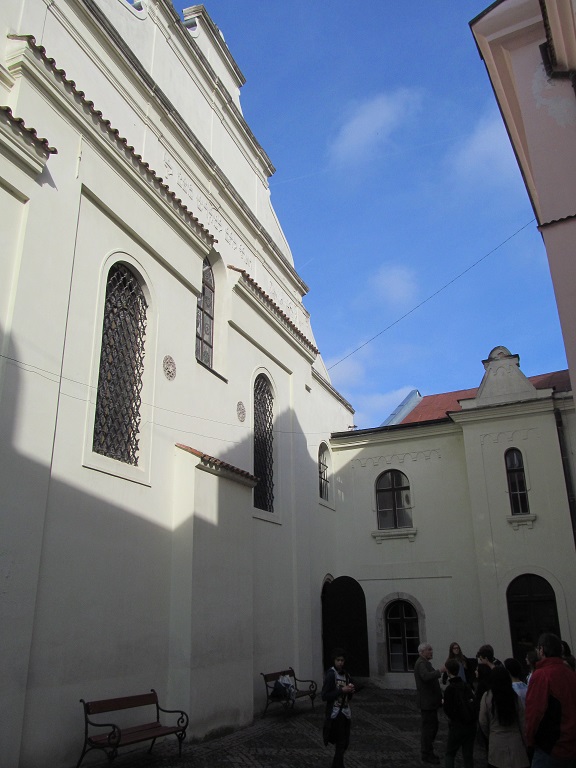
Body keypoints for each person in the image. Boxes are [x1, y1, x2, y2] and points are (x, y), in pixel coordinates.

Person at [525, 632, 576, 768]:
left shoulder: (541, 675)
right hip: (570, 745)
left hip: (551, 748)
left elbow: (534, 713)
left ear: (542, 650)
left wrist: (529, 740)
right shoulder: (570, 673)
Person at [478, 666, 529, 768]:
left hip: (496, 741)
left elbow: (482, 721)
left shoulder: (487, 697)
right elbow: (523, 721)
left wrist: (490, 734)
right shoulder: (514, 697)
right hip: (515, 742)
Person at [322, 648, 355, 768]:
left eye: (342, 660)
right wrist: (341, 690)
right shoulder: (331, 675)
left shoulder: (346, 675)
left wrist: (350, 691)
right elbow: (324, 696)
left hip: (346, 711)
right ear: (334, 661)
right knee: (340, 743)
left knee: (345, 743)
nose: (340, 662)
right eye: (338, 660)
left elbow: (348, 697)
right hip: (336, 713)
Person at [414, 642, 446, 764]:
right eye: (429, 649)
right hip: (427, 702)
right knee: (429, 729)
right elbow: (426, 676)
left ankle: (428, 751)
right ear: (422, 652)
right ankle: (427, 753)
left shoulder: (424, 663)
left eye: (431, 649)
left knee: (432, 727)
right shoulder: (421, 663)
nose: (431, 651)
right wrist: (439, 671)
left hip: (430, 701)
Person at [443, 658, 476, 768]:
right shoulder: (466, 686)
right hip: (470, 725)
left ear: (448, 671)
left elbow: (448, 710)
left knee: (450, 753)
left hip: (457, 725)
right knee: (468, 755)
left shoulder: (450, 689)